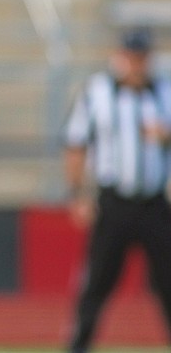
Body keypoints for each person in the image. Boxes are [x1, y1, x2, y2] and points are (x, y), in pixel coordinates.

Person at [63, 26, 171, 353]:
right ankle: (78, 345)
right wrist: (78, 193)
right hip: (114, 203)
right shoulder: (97, 93)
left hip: (154, 203)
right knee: (97, 282)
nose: (137, 64)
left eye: (142, 57)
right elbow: (76, 144)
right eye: (131, 56)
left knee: (168, 282)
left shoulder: (165, 93)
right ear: (120, 58)